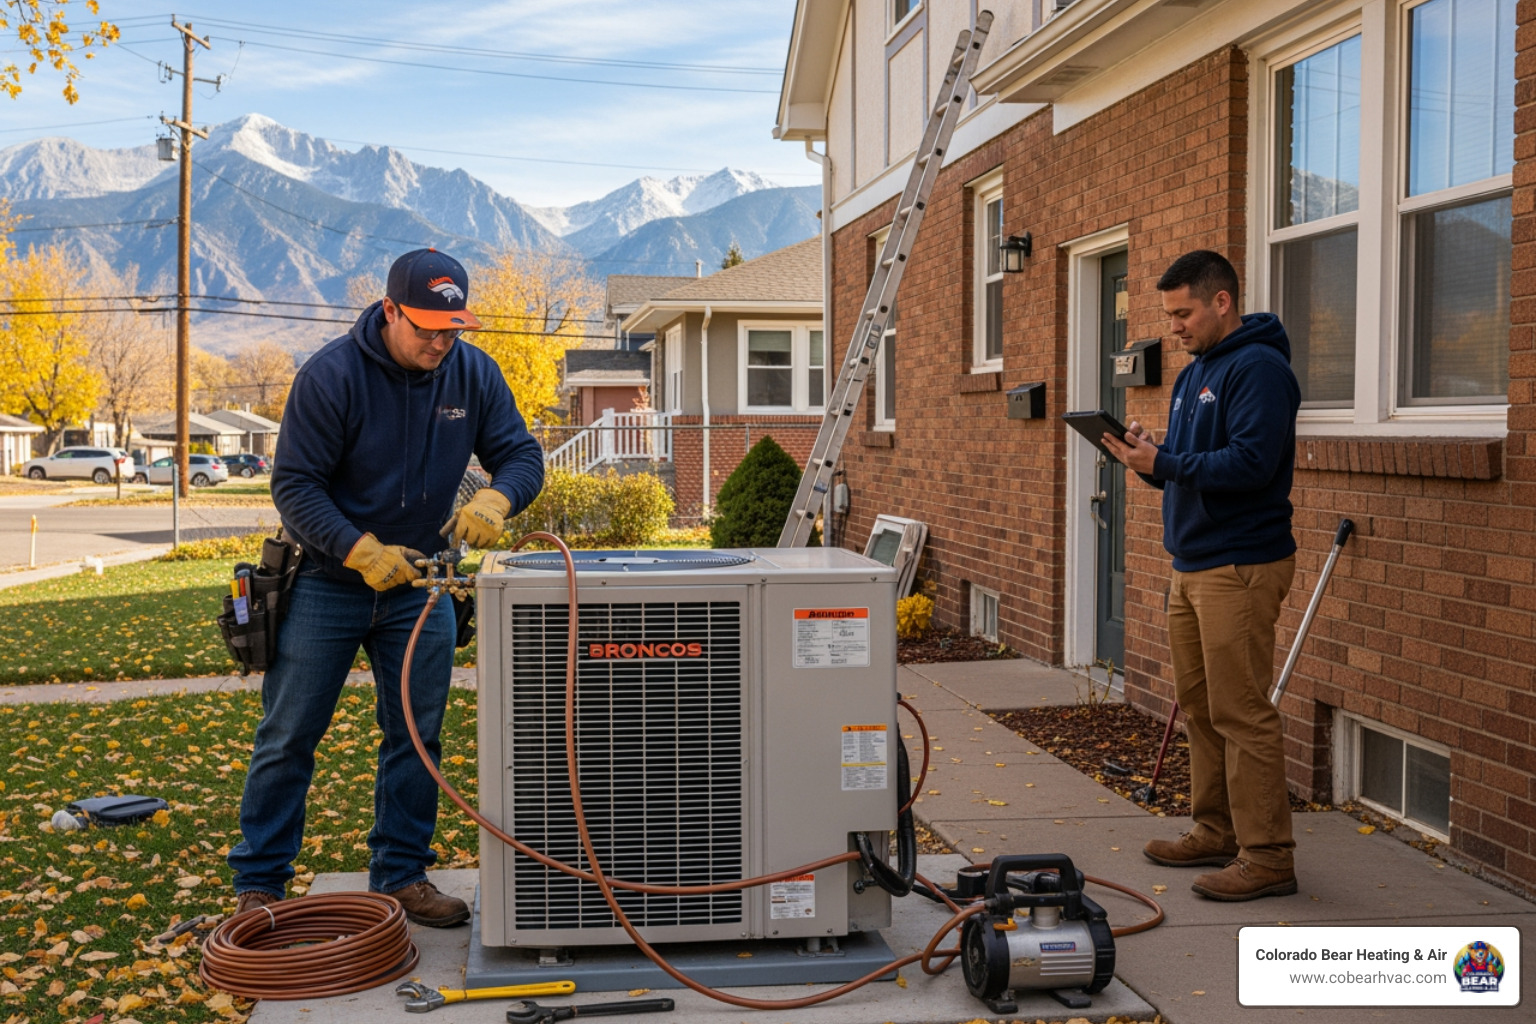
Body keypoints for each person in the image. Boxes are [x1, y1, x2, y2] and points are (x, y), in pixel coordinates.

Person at [228, 248, 544, 925]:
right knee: (289, 734)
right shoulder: (331, 377)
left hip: (421, 588)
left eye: (450, 328)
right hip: (325, 583)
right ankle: (259, 883)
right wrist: (355, 548)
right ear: (390, 310)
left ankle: (400, 874)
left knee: (417, 736)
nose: (438, 341)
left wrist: (498, 499)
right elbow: (295, 485)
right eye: (425, 326)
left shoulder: (472, 374)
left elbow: (520, 454)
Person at [1101, 249, 1301, 902]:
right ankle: (1215, 829)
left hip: (1240, 563)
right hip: (1192, 562)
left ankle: (1268, 856)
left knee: (1242, 713)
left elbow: (1250, 465)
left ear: (1221, 302)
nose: (1175, 327)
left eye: (1183, 313)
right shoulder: (1194, 374)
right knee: (1204, 709)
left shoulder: (1260, 369)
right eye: (1169, 315)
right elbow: (1193, 462)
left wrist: (1168, 464)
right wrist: (1152, 454)